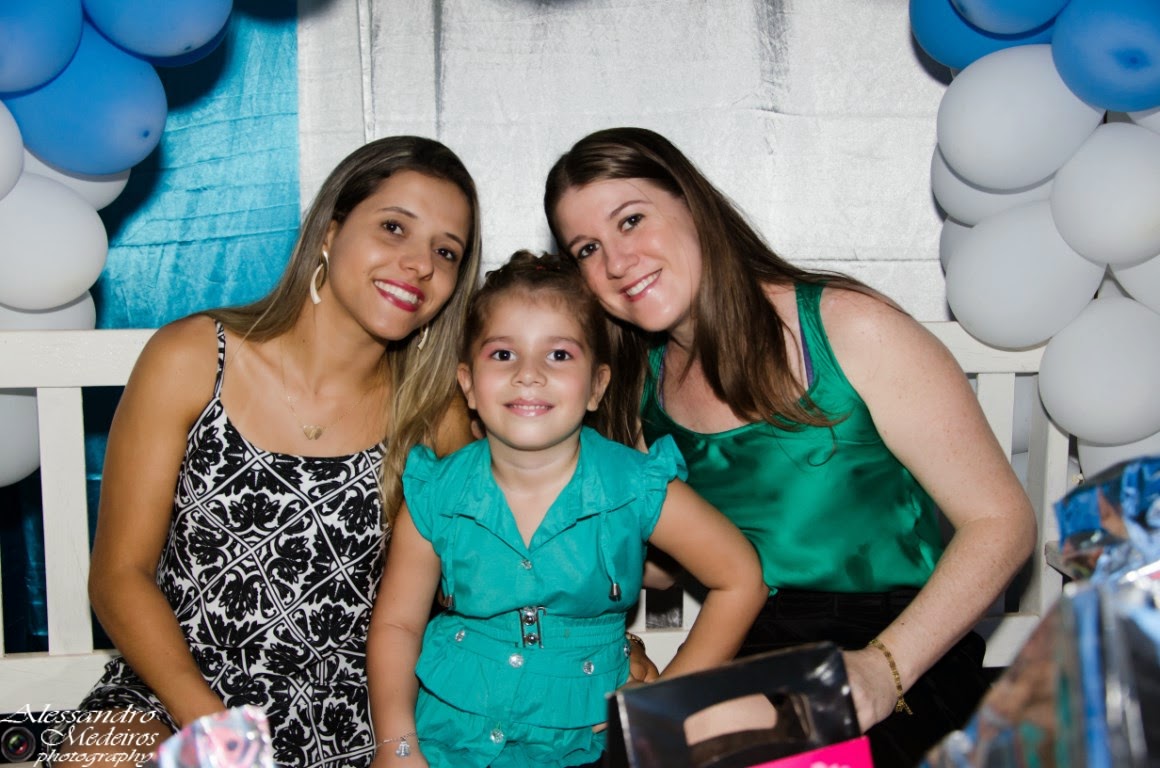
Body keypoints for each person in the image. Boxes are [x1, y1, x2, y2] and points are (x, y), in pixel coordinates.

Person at [544, 127, 1038, 767]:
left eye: (631, 220)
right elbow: (657, 567)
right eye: (587, 248)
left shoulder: (848, 328)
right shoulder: (644, 389)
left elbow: (1002, 521)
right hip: (750, 654)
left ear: (693, 205)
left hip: (897, 648)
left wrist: (883, 669)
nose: (616, 261)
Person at [58, 136, 484, 768]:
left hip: (352, 714)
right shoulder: (194, 357)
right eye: (394, 227)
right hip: (175, 689)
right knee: (97, 756)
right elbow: (119, 575)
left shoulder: (432, 415)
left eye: (445, 252)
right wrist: (219, 735)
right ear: (329, 232)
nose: (419, 264)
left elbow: (494, 581)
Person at [365, 251, 767, 768]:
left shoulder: (635, 485)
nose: (528, 374)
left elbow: (741, 579)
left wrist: (662, 706)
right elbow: (397, 626)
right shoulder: (435, 492)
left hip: (589, 747)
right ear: (467, 384)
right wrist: (397, 747)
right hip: (448, 742)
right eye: (503, 354)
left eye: (558, 355)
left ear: (597, 385)